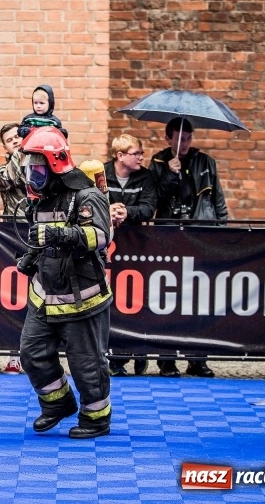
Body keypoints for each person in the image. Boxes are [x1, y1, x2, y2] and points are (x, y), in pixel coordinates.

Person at [15, 126, 113, 439]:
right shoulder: (40, 200)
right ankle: (57, 404)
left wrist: (61, 234)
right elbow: (41, 237)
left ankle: (96, 417)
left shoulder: (87, 196)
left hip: (82, 298)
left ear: (56, 164)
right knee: (31, 354)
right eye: (30, 168)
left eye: (38, 168)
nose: (33, 175)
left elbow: (99, 237)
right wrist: (32, 256)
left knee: (86, 364)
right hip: (44, 295)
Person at [148, 117, 227, 378]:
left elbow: (218, 202)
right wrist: (170, 175)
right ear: (168, 138)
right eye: (179, 138)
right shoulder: (159, 162)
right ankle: (167, 359)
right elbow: (154, 199)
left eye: (188, 138)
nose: (184, 143)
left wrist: (221, 234)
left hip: (199, 236)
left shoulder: (206, 162)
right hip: (169, 237)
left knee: (199, 300)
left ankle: (197, 358)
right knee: (167, 300)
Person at [104, 134, 157, 377]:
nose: (141, 157)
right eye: (136, 153)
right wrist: (108, 211)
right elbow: (88, 201)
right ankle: (116, 357)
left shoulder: (146, 176)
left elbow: (148, 207)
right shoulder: (101, 174)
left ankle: (139, 351)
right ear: (120, 155)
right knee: (112, 302)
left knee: (137, 301)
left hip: (138, 249)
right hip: (110, 251)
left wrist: (127, 211)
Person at [0, 122, 27, 374]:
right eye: (10, 139)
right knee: (15, 298)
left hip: (40, 236)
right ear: (4, 146)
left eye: (18, 136)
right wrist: (20, 154)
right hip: (13, 238)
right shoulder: (0, 170)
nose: (15, 140)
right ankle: (14, 355)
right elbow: (14, 178)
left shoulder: (41, 165)